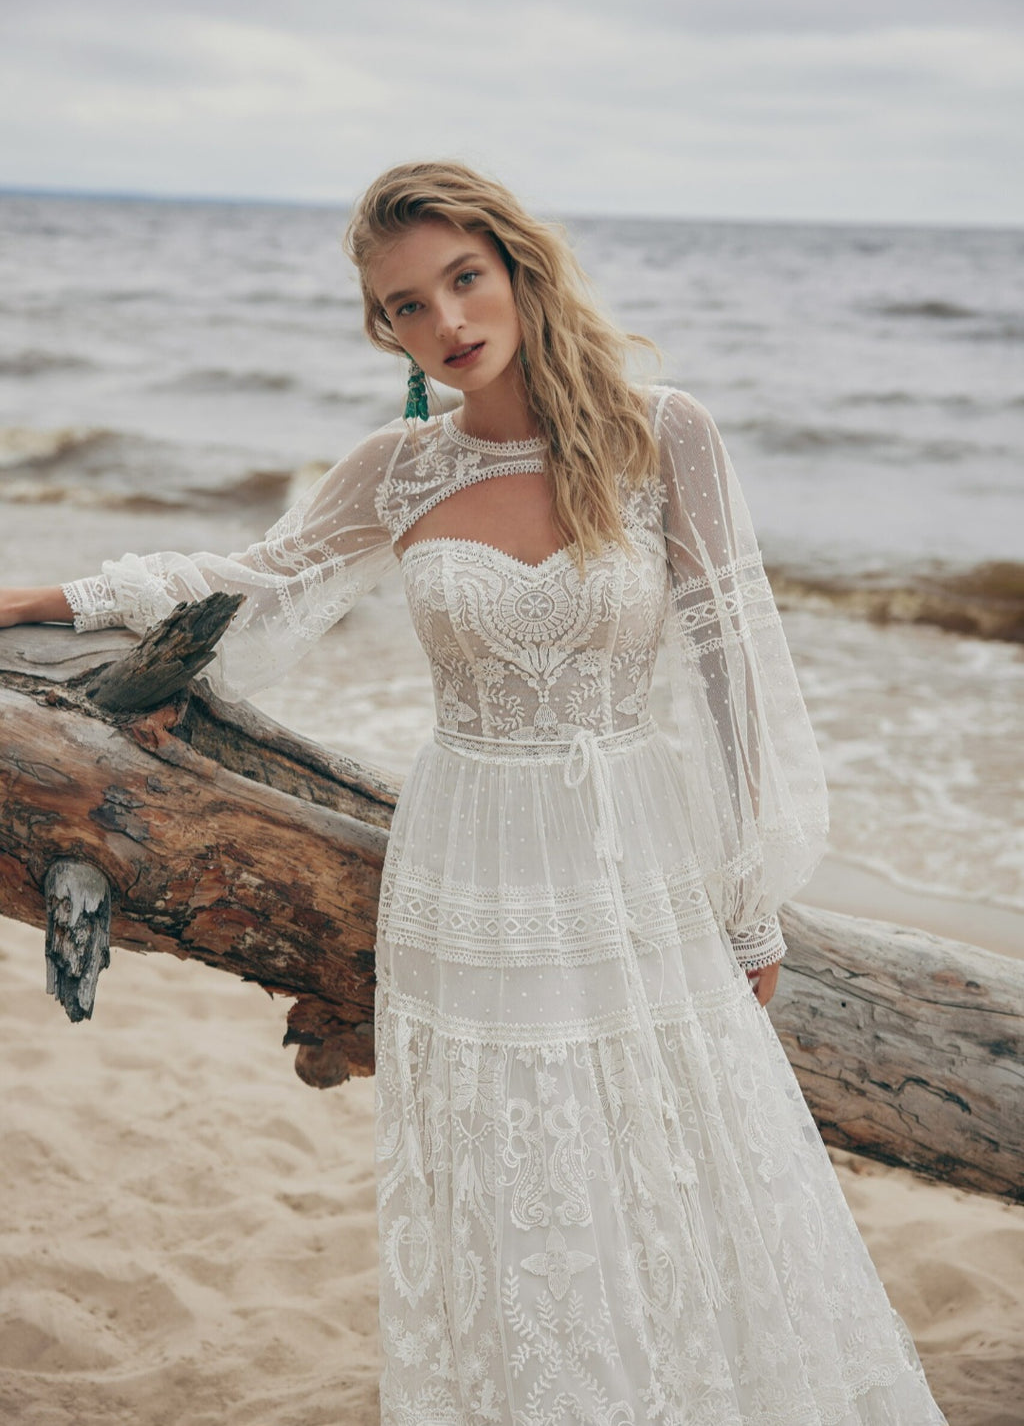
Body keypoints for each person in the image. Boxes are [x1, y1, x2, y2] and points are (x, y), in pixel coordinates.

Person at [1, 161, 947, 1425]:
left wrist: (749, 899)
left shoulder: (662, 432)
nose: (445, 321)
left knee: (687, 1146)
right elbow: (250, 580)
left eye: (463, 279)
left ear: (517, 267)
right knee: (518, 1164)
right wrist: (39, 598)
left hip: (633, 848)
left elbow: (736, 671)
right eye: (406, 305)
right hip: (472, 856)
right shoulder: (398, 468)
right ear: (383, 329)